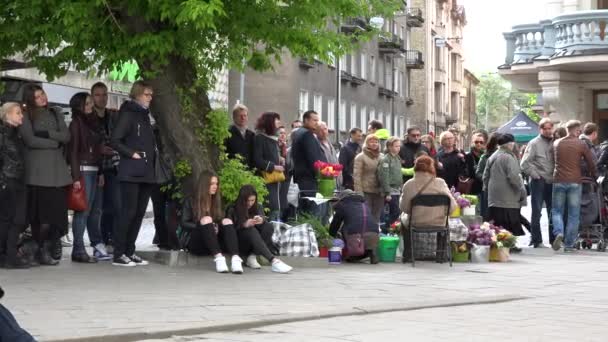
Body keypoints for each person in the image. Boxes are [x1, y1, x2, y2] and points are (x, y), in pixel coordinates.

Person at [19, 84, 72, 265]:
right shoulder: (26, 115)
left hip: (57, 172)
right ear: (30, 99)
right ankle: (38, 250)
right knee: (39, 217)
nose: (42, 98)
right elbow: (30, 140)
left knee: (55, 216)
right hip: (38, 173)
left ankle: (42, 249)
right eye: (37, 96)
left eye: (42, 94)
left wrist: (47, 133)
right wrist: (53, 143)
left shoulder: (56, 112)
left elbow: (66, 136)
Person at [110, 80, 157, 267]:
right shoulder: (129, 114)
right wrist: (132, 154)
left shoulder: (145, 115)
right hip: (131, 170)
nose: (150, 98)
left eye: (151, 95)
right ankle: (119, 252)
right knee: (127, 212)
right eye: (147, 94)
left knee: (138, 213)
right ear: (137, 94)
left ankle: (130, 250)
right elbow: (115, 140)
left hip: (146, 170)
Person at [67, 92, 110, 263]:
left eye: (91, 103)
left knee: (92, 211)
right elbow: (73, 151)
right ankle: (78, 249)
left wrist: (100, 172)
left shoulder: (92, 122)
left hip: (93, 169)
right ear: (79, 106)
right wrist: (76, 177)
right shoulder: (77, 123)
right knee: (83, 211)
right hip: (84, 170)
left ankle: (86, 248)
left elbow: (97, 151)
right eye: (87, 104)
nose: (90, 106)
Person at [181, 171, 242, 273]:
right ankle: (219, 259)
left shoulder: (217, 200)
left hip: (215, 240)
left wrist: (216, 226)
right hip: (197, 242)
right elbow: (184, 223)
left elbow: (220, 220)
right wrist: (202, 225)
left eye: (216, 184)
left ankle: (236, 259)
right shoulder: (191, 201)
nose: (215, 186)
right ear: (204, 185)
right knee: (206, 219)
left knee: (227, 221)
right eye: (212, 184)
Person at [399, 155, 457, 262]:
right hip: (438, 222)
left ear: (415, 167)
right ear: (432, 167)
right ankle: (441, 255)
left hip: (416, 222)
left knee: (402, 218)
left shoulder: (409, 184)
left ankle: (408, 254)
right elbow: (452, 206)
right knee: (446, 223)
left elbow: (404, 208)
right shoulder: (440, 183)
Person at [551, 120, 597, 252]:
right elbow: (591, 162)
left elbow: (552, 160)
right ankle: (569, 245)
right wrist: (595, 175)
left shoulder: (556, 143)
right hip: (575, 181)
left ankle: (559, 232)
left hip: (558, 180)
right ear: (577, 131)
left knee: (557, 210)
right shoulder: (581, 144)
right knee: (573, 214)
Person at [226, 185, 292, 273]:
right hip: (239, 242)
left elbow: (262, 219)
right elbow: (228, 230)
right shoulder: (232, 208)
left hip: (254, 241)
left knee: (268, 226)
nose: (250, 203)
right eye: (247, 200)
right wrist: (244, 225)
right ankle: (273, 260)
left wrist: (261, 220)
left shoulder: (258, 206)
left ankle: (252, 256)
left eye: (252, 200)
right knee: (251, 230)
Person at [483, 134, 527, 248]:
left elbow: (485, 176)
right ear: (510, 144)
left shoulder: (493, 156)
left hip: (494, 197)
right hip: (508, 197)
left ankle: (500, 244)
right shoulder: (508, 157)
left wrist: (487, 190)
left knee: (498, 223)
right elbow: (514, 177)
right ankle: (510, 245)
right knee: (509, 222)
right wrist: (521, 190)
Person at [91, 82, 120, 250]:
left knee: (115, 205)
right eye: (98, 95)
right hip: (96, 167)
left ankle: (111, 238)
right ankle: (99, 241)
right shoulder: (90, 117)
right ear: (92, 96)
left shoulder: (113, 116)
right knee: (98, 207)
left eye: (104, 94)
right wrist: (100, 148)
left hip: (113, 166)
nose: (102, 98)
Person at [0, 103, 29, 268]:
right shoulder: (3, 134)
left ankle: (10, 255)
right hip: (7, 182)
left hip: (18, 181)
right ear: (7, 115)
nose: (21, 116)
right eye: (18, 113)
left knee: (17, 219)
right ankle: (7, 256)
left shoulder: (16, 135)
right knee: (7, 220)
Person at [520, 118, 555, 247]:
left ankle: (553, 239)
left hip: (552, 181)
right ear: (540, 129)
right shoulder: (533, 143)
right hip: (538, 181)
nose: (547, 131)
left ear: (552, 128)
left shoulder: (555, 142)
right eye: (544, 128)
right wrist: (536, 176)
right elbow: (524, 163)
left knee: (552, 211)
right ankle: (536, 240)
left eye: (549, 128)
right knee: (537, 211)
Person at [329, 189, 380, 264]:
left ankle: (352, 253)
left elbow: (335, 223)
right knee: (361, 225)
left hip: (356, 237)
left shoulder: (343, 205)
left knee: (345, 227)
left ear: (342, 198)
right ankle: (371, 251)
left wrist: (331, 234)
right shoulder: (364, 204)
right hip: (374, 234)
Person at [253, 112, 286, 221]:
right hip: (266, 181)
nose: (279, 123)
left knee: (276, 209)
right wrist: (274, 167)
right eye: (276, 120)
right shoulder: (260, 138)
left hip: (275, 182)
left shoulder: (273, 139)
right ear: (270, 122)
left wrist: (280, 159)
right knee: (270, 209)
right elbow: (257, 160)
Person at [291, 110, 327, 196]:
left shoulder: (299, 132)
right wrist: (323, 174)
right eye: (314, 120)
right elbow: (314, 159)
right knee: (312, 207)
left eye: (318, 121)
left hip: (302, 179)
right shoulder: (307, 134)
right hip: (309, 180)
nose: (317, 123)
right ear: (306, 120)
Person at [354, 134, 383, 221]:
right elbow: (357, 176)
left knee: (377, 216)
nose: (374, 144)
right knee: (366, 215)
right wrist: (359, 193)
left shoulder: (382, 157)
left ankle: (374, 233)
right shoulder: (360, 157)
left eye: (376, 142)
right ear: (366, 143)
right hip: (366, 191)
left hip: (379, 191)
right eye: (371, 142)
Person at [377, 137, 403, 225]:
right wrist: (387, 192)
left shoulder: (397, 158)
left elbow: (398, 173)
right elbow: (384, 176)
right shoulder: (386, 159)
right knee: (395, 211)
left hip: (396, 189)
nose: (398, 148)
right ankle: (385, 226)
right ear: (389, 147)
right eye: (396, 146)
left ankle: (386, 225)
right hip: (389, 190)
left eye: (399, 146)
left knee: (395, 211)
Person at [476, 133, 501, 220]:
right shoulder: (485, 156)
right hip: (488, 190)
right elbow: (478, 172)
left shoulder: (507, 156)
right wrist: (488, 179)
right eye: (498, 143)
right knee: (487, 216)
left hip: (503, 191)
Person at [225, 104, 255, 168]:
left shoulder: (251, 134)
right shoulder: (227, 133)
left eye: (245, 115)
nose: (243, 118)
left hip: (249, 172)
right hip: (233, 170)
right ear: (234, 117)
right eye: (240, 116)